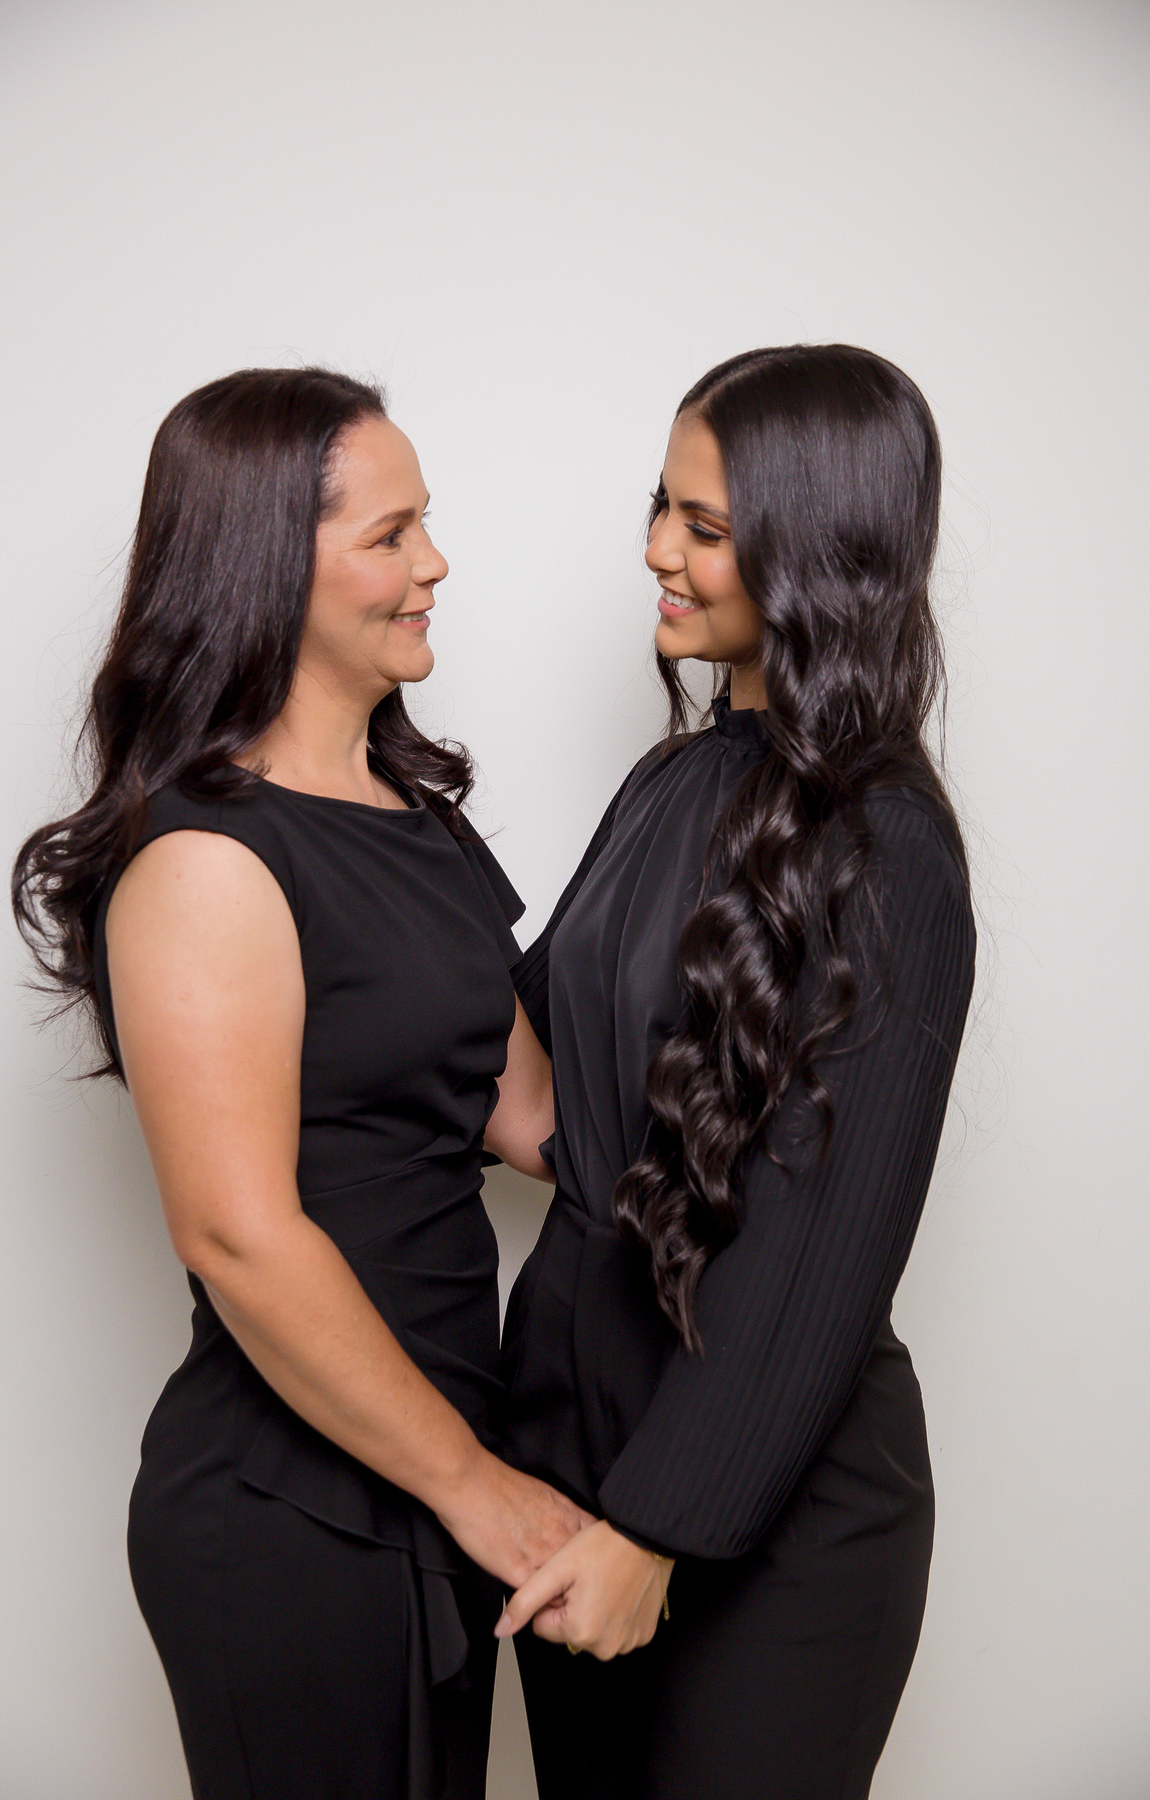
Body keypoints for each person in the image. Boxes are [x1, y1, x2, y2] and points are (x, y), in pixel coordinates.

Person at [11, 367, 587, 1800]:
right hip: (296, 1505)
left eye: (426, 523)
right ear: (269, 564)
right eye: (391, 535)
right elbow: (236, 1235)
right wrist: (479, 1492)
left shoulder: (420, 820)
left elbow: (535, 1119)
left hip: (435, 1471)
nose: (434, 564)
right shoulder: (206, 857)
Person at [496, 345, 977, 1800]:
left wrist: (658, 1528)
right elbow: (553, 1072)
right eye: (661, 505)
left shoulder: (890, 844)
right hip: (577, 1448)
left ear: (818, 548)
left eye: (704, 526)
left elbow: (822, 1244)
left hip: (769, 1506)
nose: (657, 550)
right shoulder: (675, 779)